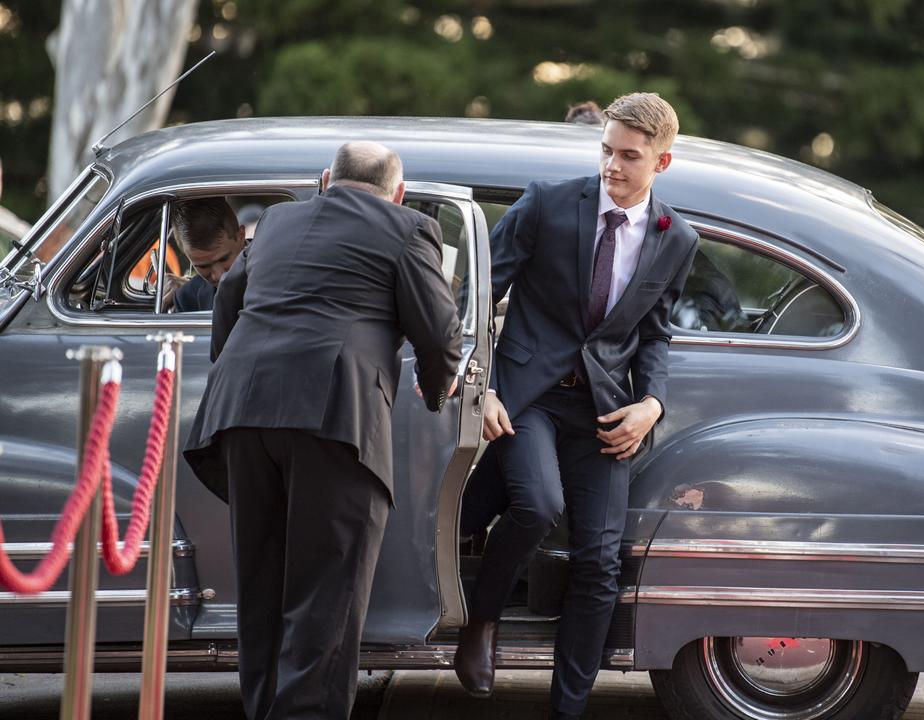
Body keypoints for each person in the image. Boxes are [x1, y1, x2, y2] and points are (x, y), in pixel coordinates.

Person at [182, 141, 463, 720]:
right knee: (327, 591)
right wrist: (438, 390)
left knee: (261, 584)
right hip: (336, 415)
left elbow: (227, 305)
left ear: (326, 179)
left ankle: (264, 711)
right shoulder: (409, 227)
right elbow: (439, 335)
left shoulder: (277, 222)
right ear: (399, 191)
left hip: (242, 408)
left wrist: (238, 373)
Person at [456, 92, 699, 719]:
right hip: (528, 396)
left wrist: (652, 404)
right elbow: (480, 298)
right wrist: (479, 387)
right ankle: (481, 621)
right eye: (607, 151)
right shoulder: (547, 203)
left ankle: (568, 709)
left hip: (607, 410)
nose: (612, 166)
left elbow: (656, 335)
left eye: (629, 156)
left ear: (662, 163)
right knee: (537, 506)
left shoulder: (677, 239)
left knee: (598, 560)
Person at [169, 197, 247, 312]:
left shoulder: (275, 268)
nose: (219, 275)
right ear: (188, 257)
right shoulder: (187, 299)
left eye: (224, 259)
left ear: (241, 236)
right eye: (203, 266)